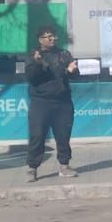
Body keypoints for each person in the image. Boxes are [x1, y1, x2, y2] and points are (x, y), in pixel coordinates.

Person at [25, 25, 79, 181]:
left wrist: (72, 70)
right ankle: (32, 167)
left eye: (53, 36)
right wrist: (37, 64)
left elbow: (75, 76)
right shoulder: (33, 55)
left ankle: (64, 165)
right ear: (41, 39)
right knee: (37, 135)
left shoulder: (64, 54)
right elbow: (31, 78)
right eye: (48, 36)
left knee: (63, 135)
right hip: (40, 102)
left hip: (62, 102)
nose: (52, 39)